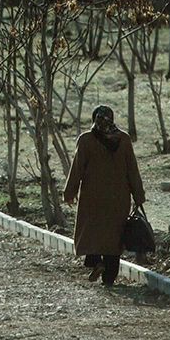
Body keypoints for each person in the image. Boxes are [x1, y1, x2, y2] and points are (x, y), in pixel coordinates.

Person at [62, 105, 145, 286]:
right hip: (119, 198)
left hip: (92, 198)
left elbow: (77, 169)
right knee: (113, 239)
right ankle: (108, 280)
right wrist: (139, 196)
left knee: (91, 233)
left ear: (94, 119)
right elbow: (132, 170)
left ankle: (95, 262)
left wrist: (69, 193)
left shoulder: (86, 140)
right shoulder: (123, 139)